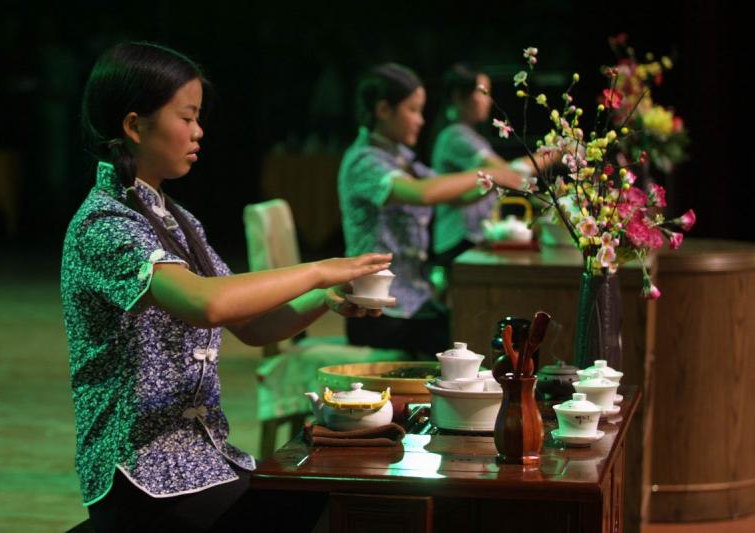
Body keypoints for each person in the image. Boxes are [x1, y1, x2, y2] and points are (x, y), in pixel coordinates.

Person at [61, 42, 391, 532]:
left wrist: (325, 300)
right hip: (142, 470)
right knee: (329, 510)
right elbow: (207, 303)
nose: (199, 131)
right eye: (187, 117)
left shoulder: (176, 218)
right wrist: (321, 270)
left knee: (340, 496)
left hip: (205, 457)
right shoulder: (105, 223)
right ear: (134, 126)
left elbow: (255, 325)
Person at [337, 63, 526, 359]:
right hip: (379, 312)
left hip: (410, 302)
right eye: (413, 110)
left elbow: (448, 195)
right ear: (384, 109)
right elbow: (423, 194)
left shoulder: (401, 158)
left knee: (480, 329)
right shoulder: (364, 160)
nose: (421, 120)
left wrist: (494, 180)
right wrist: (489, 173)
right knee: (472, 339)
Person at [431, 63, 555, 265]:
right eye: (482, 92)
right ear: (457, 95)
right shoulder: (455, 136)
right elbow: (507, 173)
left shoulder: (466, 134)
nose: (488, 100)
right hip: (460, 240)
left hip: (468, 238)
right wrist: (553, 153)